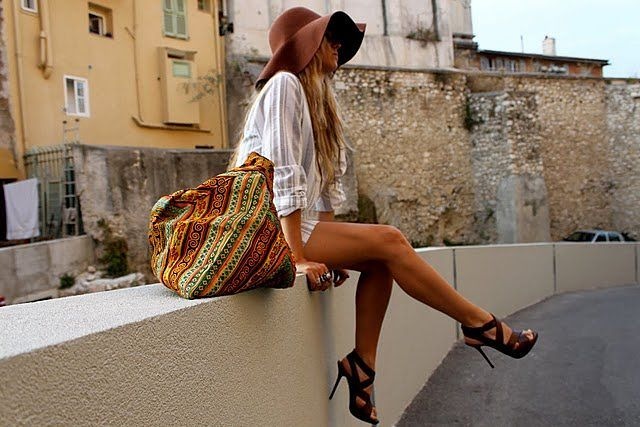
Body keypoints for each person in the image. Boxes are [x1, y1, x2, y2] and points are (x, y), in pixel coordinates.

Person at [233, 7, 538, 425]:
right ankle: (479, 324)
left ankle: (362, 366)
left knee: (380, 263)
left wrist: (333, 250)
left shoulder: (316, 97)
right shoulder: (284, 84)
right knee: (390, 240)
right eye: (330, 38)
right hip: (267, 228)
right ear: (306, 46)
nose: (339, 45)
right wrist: (299, 256)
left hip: (290, 226)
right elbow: (282, 173)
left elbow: (325, 187)